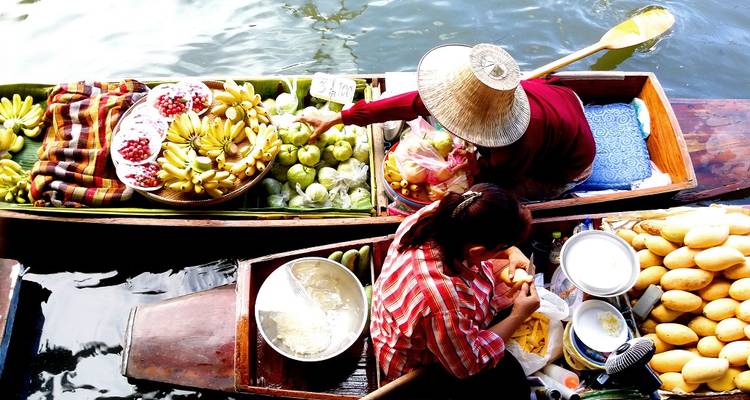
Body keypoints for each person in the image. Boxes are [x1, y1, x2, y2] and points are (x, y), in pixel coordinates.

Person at [300, 43, 595, 200]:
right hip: (562, 100)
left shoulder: (518, 142)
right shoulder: (480, 93)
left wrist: (474, 169)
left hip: (568, 162)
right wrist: (340, 117)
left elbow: (503, 177)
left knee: (491, 196)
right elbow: (411, 103)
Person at [370, 182, 540, 398]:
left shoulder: (442, 213)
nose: (505, 250)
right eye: (500, 247)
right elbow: (468, 364)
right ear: (477, 252)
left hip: (404, 312)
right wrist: (519, 314)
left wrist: (511, 251)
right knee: (512, 380)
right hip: (412, 359)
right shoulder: (446, 305)